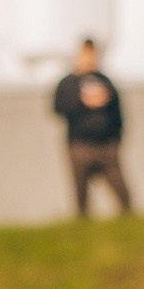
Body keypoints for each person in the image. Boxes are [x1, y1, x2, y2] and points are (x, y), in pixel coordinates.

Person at [52, 37, 133, 218]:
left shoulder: (106, 81)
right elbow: (58, 109)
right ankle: (83, 231)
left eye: (93, 54)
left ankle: (129, 227)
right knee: (81, 196)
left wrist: (117, 139)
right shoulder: (68, 83)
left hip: (107, 147)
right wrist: (82, 101)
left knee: (123, 195)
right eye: (86, 54)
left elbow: (118, 113)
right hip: (80, 147)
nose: (90, 59)